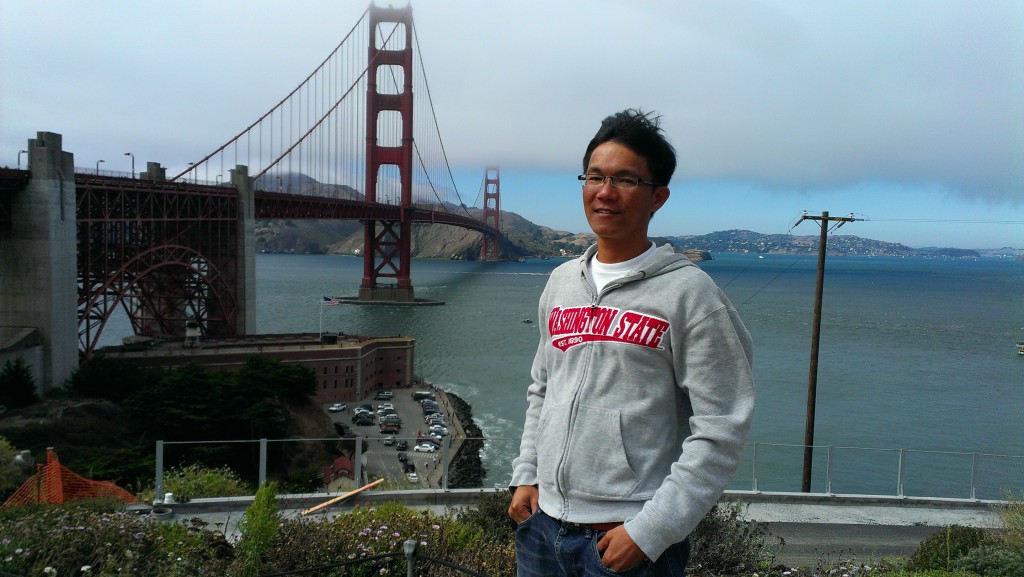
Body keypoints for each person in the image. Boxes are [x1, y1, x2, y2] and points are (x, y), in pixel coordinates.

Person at [508, 109, 755, 576]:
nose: (605, 192)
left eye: (625, 180)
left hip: (627, 540)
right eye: (595, 177)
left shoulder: (691, 295)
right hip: (542, 529)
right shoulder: (560, 282)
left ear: (658, 196)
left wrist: (650, 532)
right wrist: (527, 474)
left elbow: (723, 426)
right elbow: (544, 389)